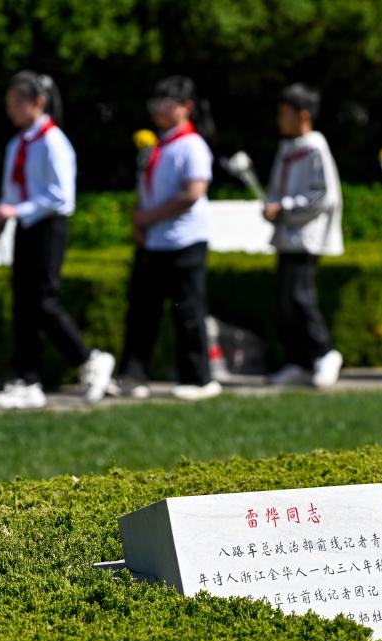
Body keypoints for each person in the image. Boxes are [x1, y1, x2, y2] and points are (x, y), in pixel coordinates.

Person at [0, 71, 114, 410]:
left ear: (38, 102)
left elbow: (61, 196)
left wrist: (17, 209)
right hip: (26, 226)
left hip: (49, 227)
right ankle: (27, 379)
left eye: (18, 102)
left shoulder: (53, 141)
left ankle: (88, 359)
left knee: (43, 300)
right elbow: (12, 191)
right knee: (23, 305)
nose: (12, 110)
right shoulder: (17, 143)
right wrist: (4, 215)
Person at [110, 75, 222, 401]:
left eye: (166, 103)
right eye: (156, 103)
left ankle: (198, 378)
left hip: (185, 239)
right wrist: (139, 220)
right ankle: (133, 374)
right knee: (141, 310)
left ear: (186, 107)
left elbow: (193, 192)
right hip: (154, 240)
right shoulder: (158, 144)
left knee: (187, 310)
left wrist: (150, 216)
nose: (158, 109)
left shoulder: (192, 145)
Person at [264, 83, 345, 388]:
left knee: (300, 297)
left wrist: (285, 207)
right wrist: (271, 205)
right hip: (287, 236)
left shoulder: (315, 148)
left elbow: (322, 196)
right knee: (284, 301)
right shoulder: (287, 148)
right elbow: (276, 187)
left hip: (307, 236)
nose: (279, 120)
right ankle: (298, 361)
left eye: (284, 114)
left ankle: (325, 352)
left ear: (303, 115)